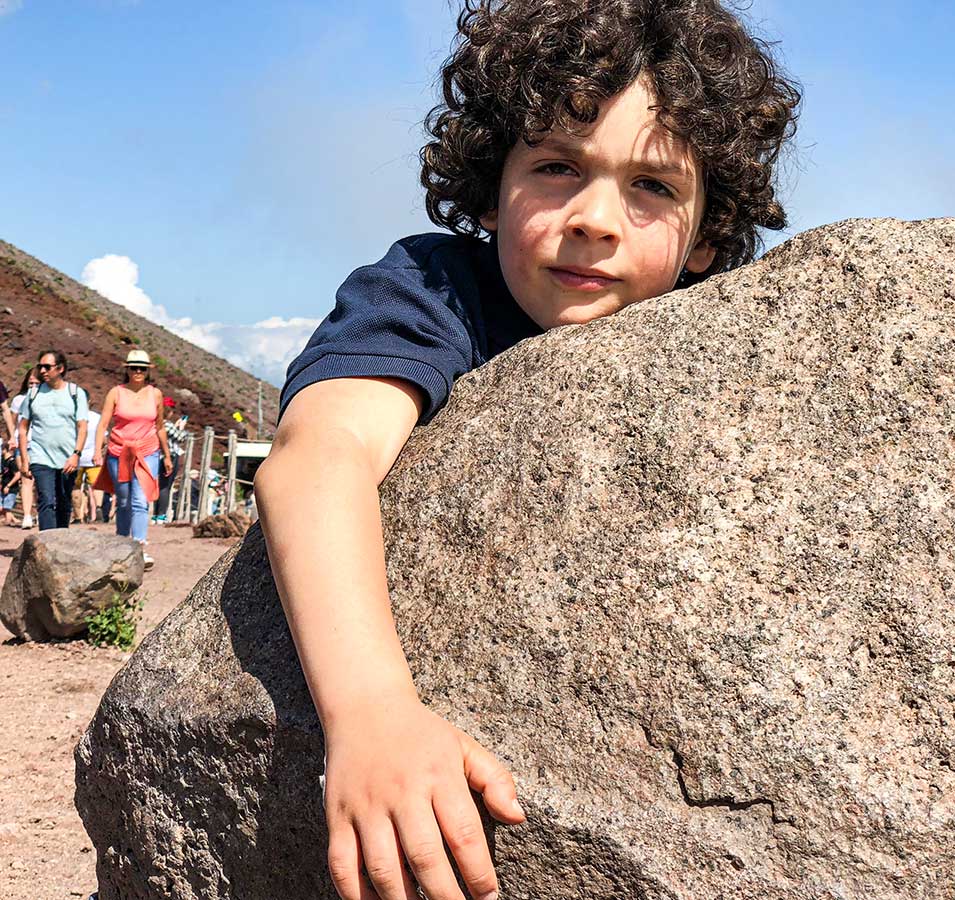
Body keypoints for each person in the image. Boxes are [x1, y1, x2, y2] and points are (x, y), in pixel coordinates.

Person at [253, 3, 801, 898]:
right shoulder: (438, 290)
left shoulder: (733, 344)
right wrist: (372, 711)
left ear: (708, 235)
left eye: (653, 187)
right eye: (557, 167)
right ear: (489, 184)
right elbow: (318, 457)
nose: (594, 218)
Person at [95, 350, 174, 567]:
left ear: (148, 371)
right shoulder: (116, 393)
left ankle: (139, 546)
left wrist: (166, 455)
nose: (138, 372)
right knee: (123, 499)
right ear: (127, 369)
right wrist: (96, 450)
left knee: (140, 499)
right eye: (134, 368)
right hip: (119, 451)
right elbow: (103, 423)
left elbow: (159, 427)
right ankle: (121, 543)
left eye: (142, 368)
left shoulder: (155, 394)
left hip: (147, 450)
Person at [18, 350, 89, 531]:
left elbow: (82, 427)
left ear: (60, 368)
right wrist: (25, 459)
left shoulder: (75, 393)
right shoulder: (33, 394)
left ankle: (61, 540)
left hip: (67, 459)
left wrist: (76, 454)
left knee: (63, 500)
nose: (42, 370)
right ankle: (47, 544)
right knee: (46, 500)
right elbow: (23, 427)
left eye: (47, 367)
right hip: (40, 456)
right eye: (40, 366)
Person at [11, 367, 40, 529]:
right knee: (26, 479)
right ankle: (27, 515)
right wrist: (11, 438)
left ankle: (40, 512)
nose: (33, 386)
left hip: (40, 443)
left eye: (37, 383)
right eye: (30, 383)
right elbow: (13, 421)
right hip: (22, 442)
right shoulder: (18, 400)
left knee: (41, 481)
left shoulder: (46, 399)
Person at [152, 397, 188, 524]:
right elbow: (180, 438)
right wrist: (181, 428)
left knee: (159, 486)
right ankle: (161, 515)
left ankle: (156, 515)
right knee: (165, 487)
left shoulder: (155, 424)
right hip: (170, 456)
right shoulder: (167, 425)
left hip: (157, 456)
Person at [72, 407, 103, 523]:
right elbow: (104, 438)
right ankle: (98, 509)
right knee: (96, 485)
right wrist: (99, 450)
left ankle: (78, 516)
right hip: (94, 456)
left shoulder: (72, 416)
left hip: (75, 456)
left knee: (75, 486)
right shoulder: (96, 417)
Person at [1, 442, 20, 526]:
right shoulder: (3, 460)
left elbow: (18, 474)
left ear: (5, 450)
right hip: (3, 488)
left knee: (7, 508)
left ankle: (7, 524)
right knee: (2, 507)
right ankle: (15, 520)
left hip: (11, 489)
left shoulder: (12, 462)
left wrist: (8, 486)